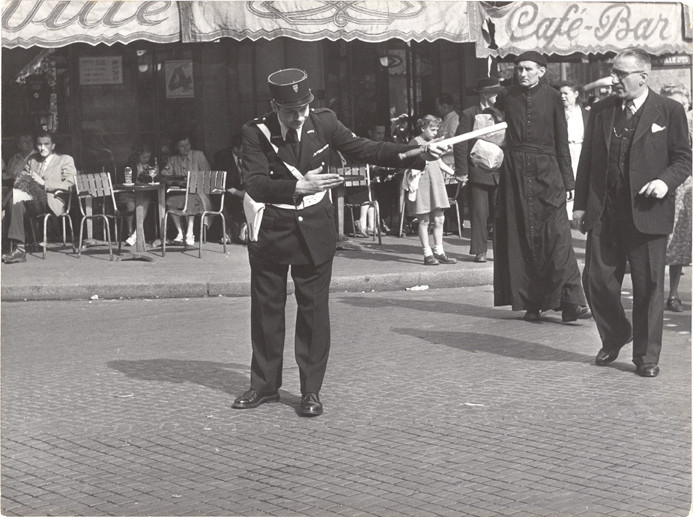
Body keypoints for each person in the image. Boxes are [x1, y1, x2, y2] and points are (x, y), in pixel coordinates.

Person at [234, 68, 443, 416]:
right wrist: (295, 187)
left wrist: (417, 152)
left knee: (314, 313)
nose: (299, 117)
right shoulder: (256, 132)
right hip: (273, 229)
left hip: (315, 229)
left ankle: (310, 391)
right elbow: (254, 183)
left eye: (303, 108)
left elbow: (367, 149)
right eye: (290, 111)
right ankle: (264, 385)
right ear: (274, 106)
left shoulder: (324, 122)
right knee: (266, 310)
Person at [573, 48, 691, 377]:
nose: (614, 80)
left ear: (643, 76)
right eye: (613, 72)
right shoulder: (600, 111)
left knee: (650, 286)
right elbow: (587, 161)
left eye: (621, 74)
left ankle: (646, 357)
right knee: (596, 280)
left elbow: (684, 158)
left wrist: (665, 183)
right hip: (605, 211)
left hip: (648, 213)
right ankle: (616, 334)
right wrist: (580, 204)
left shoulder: (669, 111)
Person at [493, 51, 591, 323]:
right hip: (515, 173)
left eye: (527, 69)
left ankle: (571, 302)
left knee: (558, 237)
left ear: (542, 71)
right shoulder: (507, 96)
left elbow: (561, 140)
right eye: (518, 69)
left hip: (548, 174)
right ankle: (531, 303)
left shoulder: (553, 98)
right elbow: (495, 130)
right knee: (522, 236)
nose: (522, 74)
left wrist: (568, 180)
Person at [2, 130, 76, 264]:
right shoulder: (32, 160)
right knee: (14, 201)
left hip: (50, 201)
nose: (42, 148)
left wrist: (43, 183)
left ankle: (1, 205)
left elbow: (70, 184)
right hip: (33, 202)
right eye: (39, 144)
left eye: (46, 144)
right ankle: (19, 250)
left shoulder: (65, 159)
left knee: (25, 182)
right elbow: (20, 180)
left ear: (53, 145)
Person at [454, 77, 503, 263]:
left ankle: (501, 251)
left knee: (500, 212)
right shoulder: (470, 114)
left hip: (499, 171)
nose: (498, 96)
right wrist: (462, 171)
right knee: (479, 212)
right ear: (485, 94)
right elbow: (461, 143)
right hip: (477, 170)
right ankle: (480, 250)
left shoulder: (502, 113)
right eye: (495, 93)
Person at [404, 115, 458, 266]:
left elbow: (439, 162)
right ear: (423, 128)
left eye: (436, 130)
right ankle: (427, 253)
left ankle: (439, 251)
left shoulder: (433, 142)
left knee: (440, 218)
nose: (435, 133)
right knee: (424, 220)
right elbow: (409, 161)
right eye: (432, 129)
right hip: (423, 183)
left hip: (436, 182)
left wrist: (455, 174)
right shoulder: (415, 142)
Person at [659, 85, 693, 313]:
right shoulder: (658, 123)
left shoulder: (690, 123)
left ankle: (673, 294)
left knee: (679, 242)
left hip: (686, 187)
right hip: (660, 185)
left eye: (680, 103)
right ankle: (652, 294)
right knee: (658, 242)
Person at [163, 132, 212, 246]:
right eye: (182, 146)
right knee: (170, 200)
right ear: (176, 147)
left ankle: (190, 232)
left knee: (190, 198)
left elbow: (207, 174)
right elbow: (165, 175)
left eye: (188, 144)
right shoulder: (173, 159)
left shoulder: (198, 155)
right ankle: (180, 232)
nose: (186, 148)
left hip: (198, 192)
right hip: (180, 192)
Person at [556, 80, 590, 219]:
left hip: (581, 151)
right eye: (560, 94)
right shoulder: (557, 113)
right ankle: (566, 217)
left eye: (566, 93)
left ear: (576, 94)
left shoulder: (586, 114)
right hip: (563, 153)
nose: (562, 96)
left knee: (581, 181)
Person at [214, 134, 247, 244]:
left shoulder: (251, 156)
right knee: (223, 200)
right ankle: (228, 232)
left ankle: (246, 229)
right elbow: (220, 181)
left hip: (247, 189)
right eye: (244, 148)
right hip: (229, 189)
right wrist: (238, 193)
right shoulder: (222, 157)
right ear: (236, 148)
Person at [118, 143, 154, 247]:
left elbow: (154, 179)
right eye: (144, 157)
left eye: (148, 157)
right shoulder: (129, 166)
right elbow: (125, 180)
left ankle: (136, 232)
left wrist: (149, 175)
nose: (146, 159)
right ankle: (129, 231)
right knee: (131, 205)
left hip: (141, 193)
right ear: (138, 155)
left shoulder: (149, 166)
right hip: (128, 192)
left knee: (146, 199)